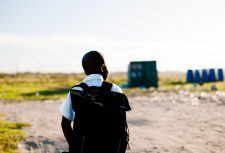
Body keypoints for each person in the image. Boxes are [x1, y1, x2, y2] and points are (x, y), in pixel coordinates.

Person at [59, 51, 131, 153]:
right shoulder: (115, 90)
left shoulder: (76, 91)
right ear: (103, 68)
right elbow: (122, 127)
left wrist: (76, 147)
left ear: (85, 71)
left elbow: (65, 124)